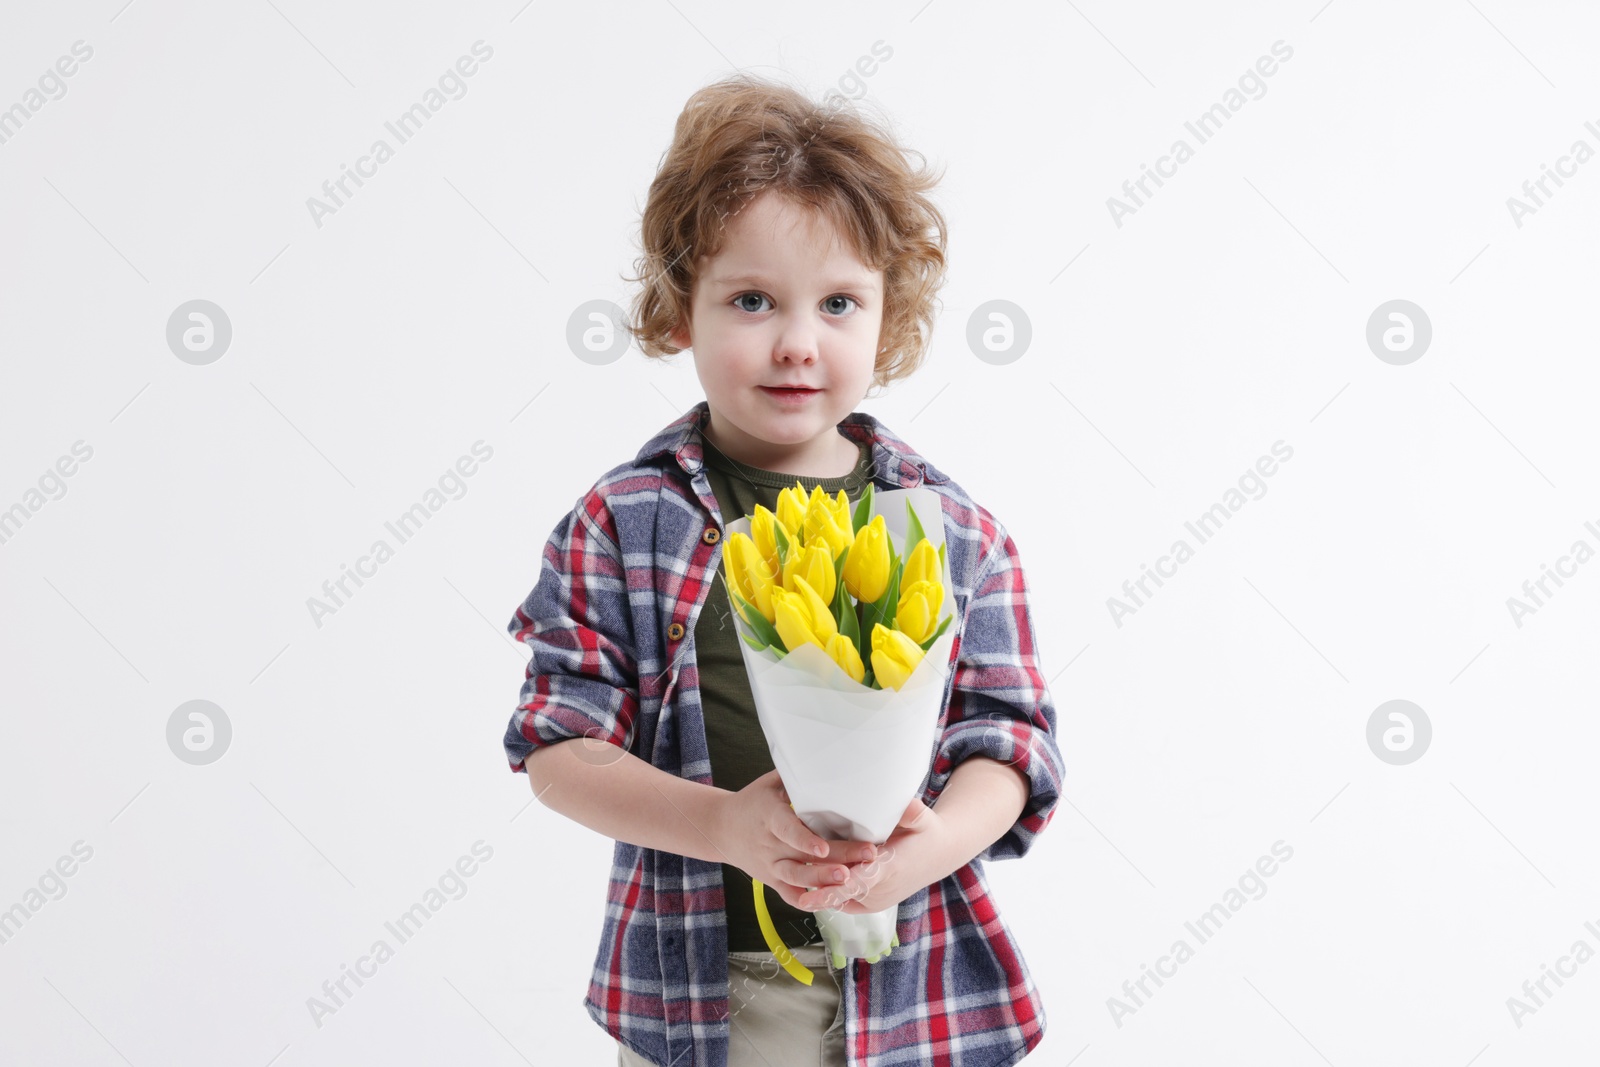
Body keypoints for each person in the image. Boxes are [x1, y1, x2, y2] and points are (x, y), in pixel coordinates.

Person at [502, 71, 1064, 1067]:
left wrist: (916, 857)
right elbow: (558, 748)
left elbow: (1009, 739)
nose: (797, 343)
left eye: (839, 302)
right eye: (751, 299)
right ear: (682, 309)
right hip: (700, 1000)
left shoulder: (952, 529)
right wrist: (724, 826)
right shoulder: (623, 521)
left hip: (914, 998)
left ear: (886, 320)